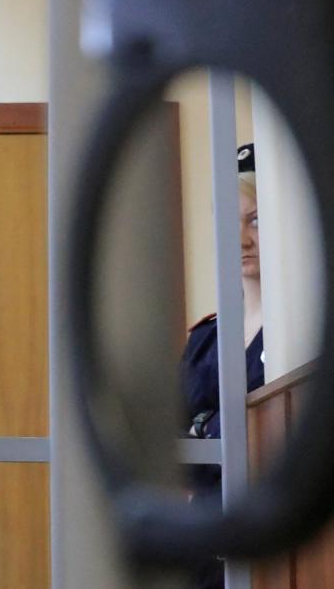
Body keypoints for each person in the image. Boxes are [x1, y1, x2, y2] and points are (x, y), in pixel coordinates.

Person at [179, 142, 266, 589]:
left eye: (256, 219)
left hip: (272, 540)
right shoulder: (205, 339)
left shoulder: (302, 337)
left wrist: (206, 430)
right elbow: (174, 449)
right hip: (204, 549)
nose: (243, 238)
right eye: (230, 222)